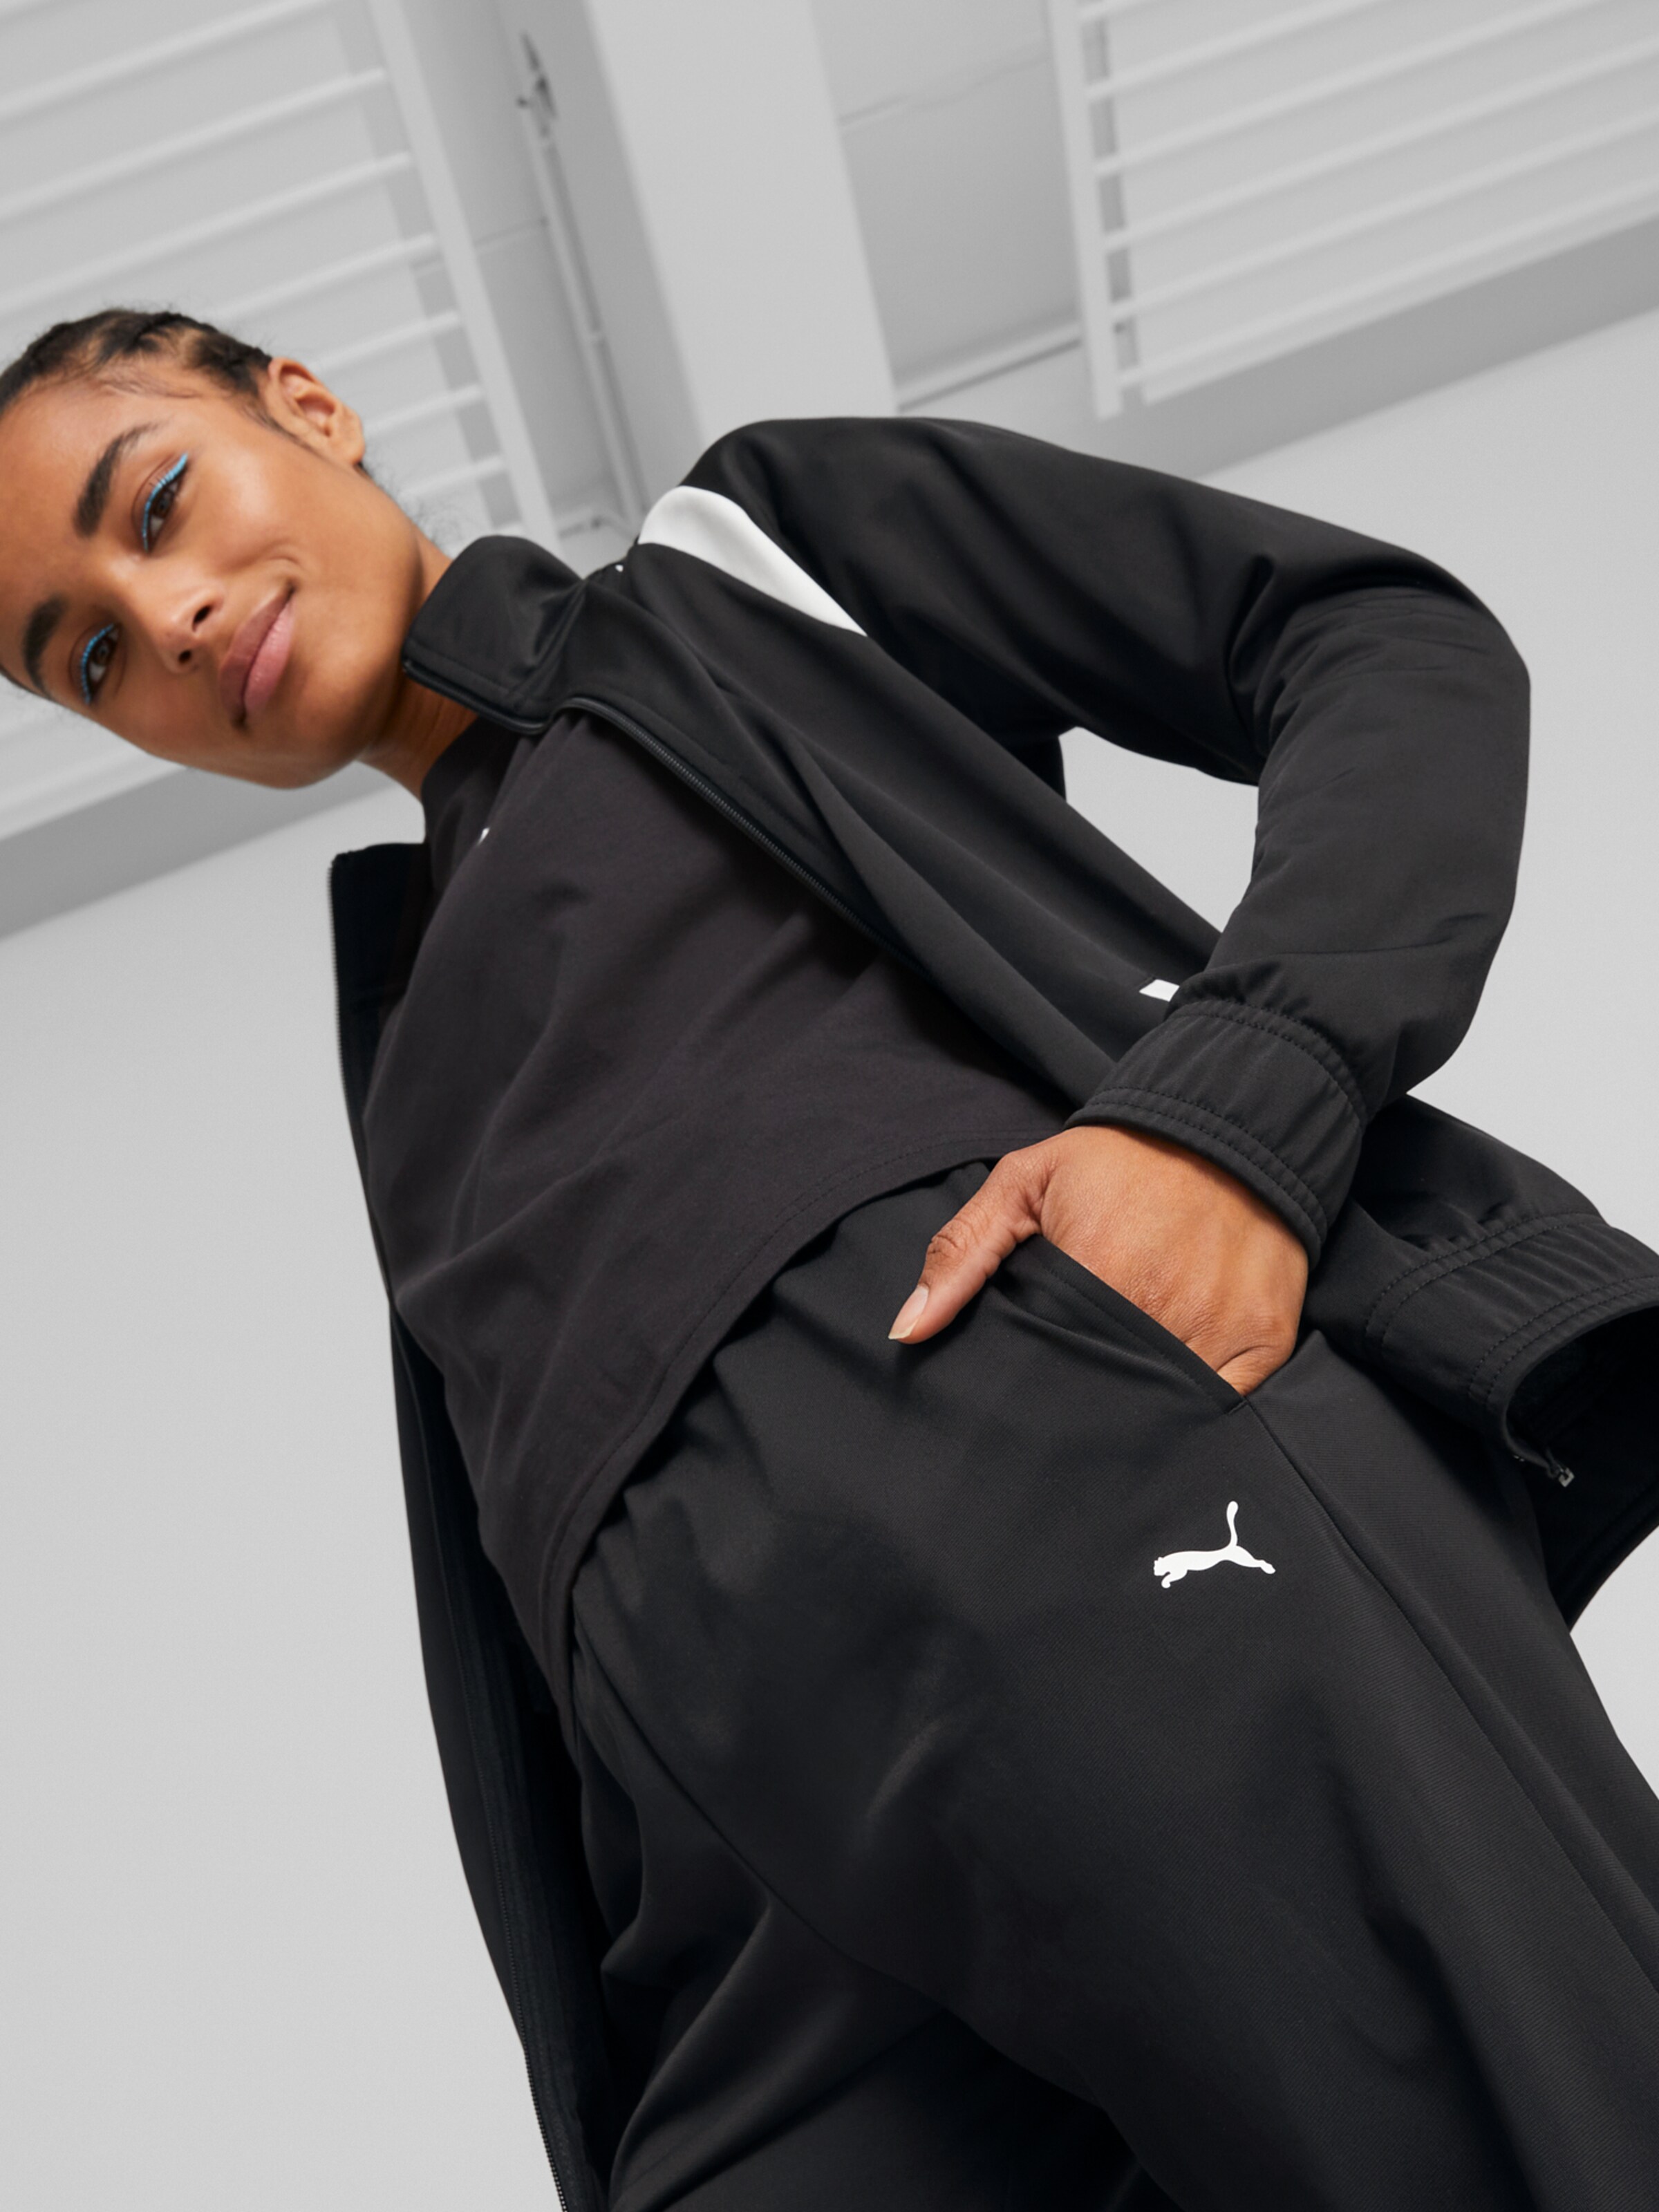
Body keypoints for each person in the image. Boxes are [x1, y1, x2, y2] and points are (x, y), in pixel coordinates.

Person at [3, 307, 1657, 2212]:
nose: (170, 620)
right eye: (91, 654)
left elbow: (1371, 636)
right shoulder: (402, 1053)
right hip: (725, 1890)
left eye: (157, 504)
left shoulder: (734, 567)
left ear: (305, 404)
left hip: (1077, 1515)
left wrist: (1236, 1115)